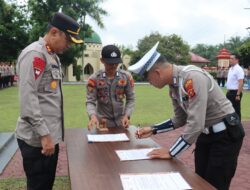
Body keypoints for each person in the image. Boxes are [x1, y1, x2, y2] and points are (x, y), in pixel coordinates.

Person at [128, 42, 244, 190]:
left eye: (147, 77)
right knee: (200, 182)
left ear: (157, 72)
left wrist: (171, 152)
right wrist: (153, 128)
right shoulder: (174, 87)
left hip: (225, 136)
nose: (149, 82)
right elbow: (180, 118)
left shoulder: (192, 77)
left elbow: (195, 124)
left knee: (215, 184)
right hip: (206, 135)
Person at [15, 12, 83, 190]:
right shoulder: (35, 55)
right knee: (39, 186)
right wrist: (44, 135)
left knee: (46, 184)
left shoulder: (51, 56)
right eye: (68, 40)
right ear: (54, 32)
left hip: (48, 138)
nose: (68, 45)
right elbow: (28, 99)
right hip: (38, 139)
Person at [86, 44, 135, 130]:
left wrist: (127, 115)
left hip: (121, 123)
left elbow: (131, 99)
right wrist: (93, 116)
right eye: (110, 63)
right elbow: (90, 101)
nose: (113, 66)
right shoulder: (94, 79)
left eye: (116, 63)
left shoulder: (126, 77)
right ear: (102, 60)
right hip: (103, 124)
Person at [226, 55, 244, 121]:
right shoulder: (230, 69)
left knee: (236, 110)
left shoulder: (239, 69)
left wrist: (238, 94)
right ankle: (232, 124)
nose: (230, 60)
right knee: (229, 110)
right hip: (229, 92)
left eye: (232, 59)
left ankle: (238, 126)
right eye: (229, 58)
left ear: (237, 60)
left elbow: (241, 82)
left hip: (235, 93)